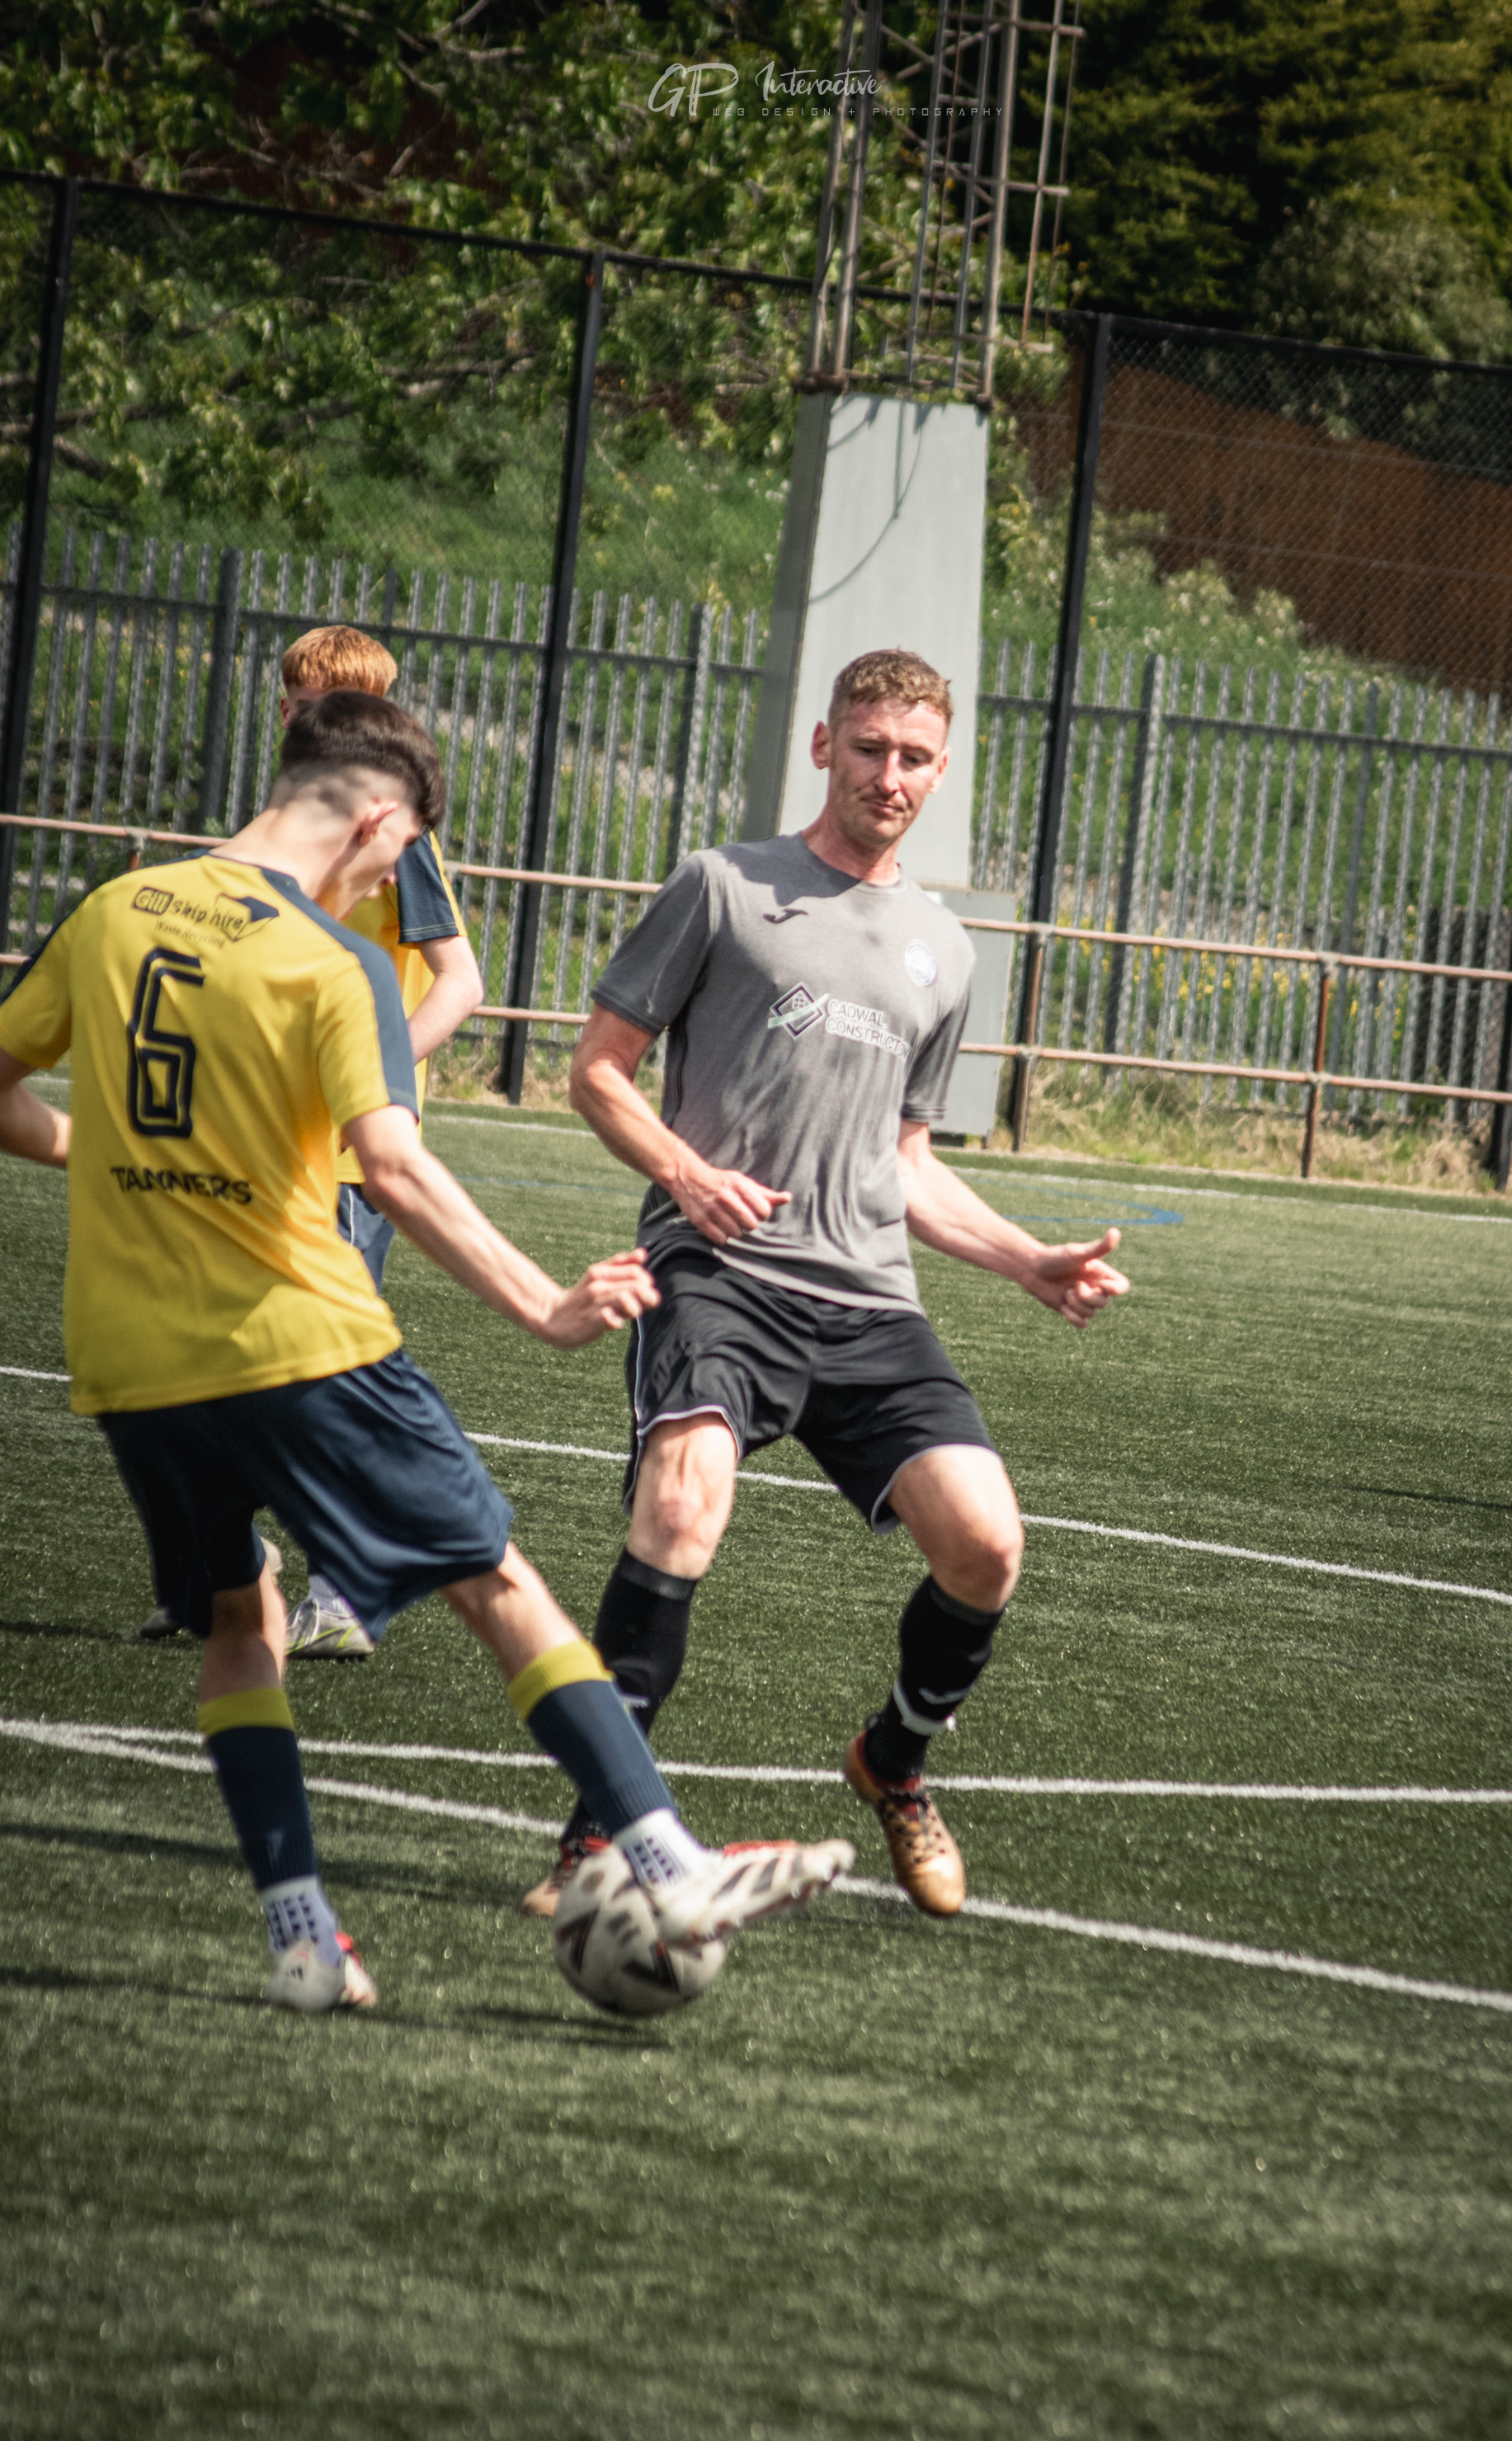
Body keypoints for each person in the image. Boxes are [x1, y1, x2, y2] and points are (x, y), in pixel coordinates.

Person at [0, 692, 852, 2014]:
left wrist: (107, 1161)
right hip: (297, 1336)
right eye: (399, 860)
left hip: (128, 1358)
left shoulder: (116, 911)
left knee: (242, 1616)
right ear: (381, 820)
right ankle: (669, 1859)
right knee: (495, 1577)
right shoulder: (331, 962)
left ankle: (301, 1941)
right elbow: (392, 1167)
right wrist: (543, 1303)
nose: (392, 880)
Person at [520, 648, 1129, 1925]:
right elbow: (597, 1070)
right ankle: (595, 1837)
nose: (889, 776)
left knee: (988, 1545)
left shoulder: (943, 952)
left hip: (866, 1298)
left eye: (913, 758)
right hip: (718, 1274)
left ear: (942, 769)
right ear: (823, 747)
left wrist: (1027, 1261)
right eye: (869, 750)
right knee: (681, 1510)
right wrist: (687, 1175)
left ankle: (893, 1765)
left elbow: (903, 1160)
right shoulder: (725, 887)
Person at [136, 624, 488, 1656]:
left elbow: (462, 980)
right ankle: (226, 1582)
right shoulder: (269, 839)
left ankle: (346, 1587)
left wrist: (366, 1088)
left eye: (324, 704)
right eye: (295, 701)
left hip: (344, 1160)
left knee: (319, 1369)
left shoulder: (399, 841)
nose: (301, 717)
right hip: (251, 1144)